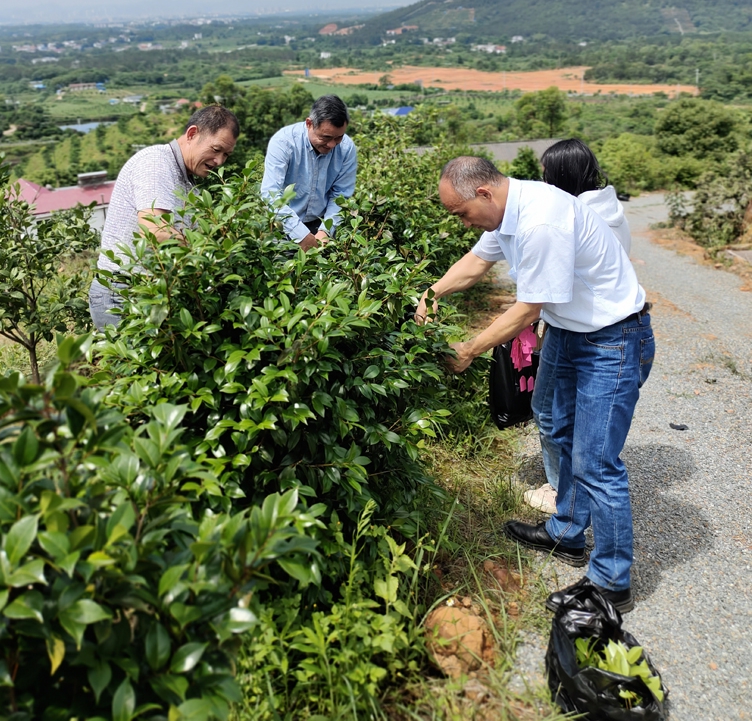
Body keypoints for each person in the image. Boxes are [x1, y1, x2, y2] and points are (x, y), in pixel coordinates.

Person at [416, 156, 654, 613]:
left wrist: (469, 349)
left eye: (462, 213)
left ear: (483, 193)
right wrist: (433, 292)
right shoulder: (506, 209)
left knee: (596, 462)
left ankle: (611, 583)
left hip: (612, 338)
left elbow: (529, 307)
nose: (463, 223)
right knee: (554, 423)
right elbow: (476, 262)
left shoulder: (541, 219)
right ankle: (567, 531)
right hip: (567, 332)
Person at [525, 138, 633, 515]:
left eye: (547, 175)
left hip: (581, 329)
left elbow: (555, 279)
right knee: (568, 417)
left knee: (552, 412)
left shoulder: (574, 217)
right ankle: (571, 494)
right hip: (599, 325)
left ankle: (562, 492)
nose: (544, 182)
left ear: (562, 177)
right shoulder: (610, 210)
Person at [89, 104, 240, 330]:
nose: (219, 161)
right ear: (192, 134)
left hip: (152, 292)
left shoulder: (188, 182)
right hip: (122, 294)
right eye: (216, 149)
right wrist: (208, 256)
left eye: (226, 154)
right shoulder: (156, 162)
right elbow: (155, 231)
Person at [261, 94, 357, 249]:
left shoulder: (346, 147)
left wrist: (326, 230)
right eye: (326, 137)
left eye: (338, 138)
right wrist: (300, 234)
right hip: (283, 224)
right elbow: (270, 193)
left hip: (322, 223)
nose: (332, 145)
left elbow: (341, 194)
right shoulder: (283, 142)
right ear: (309, 124)